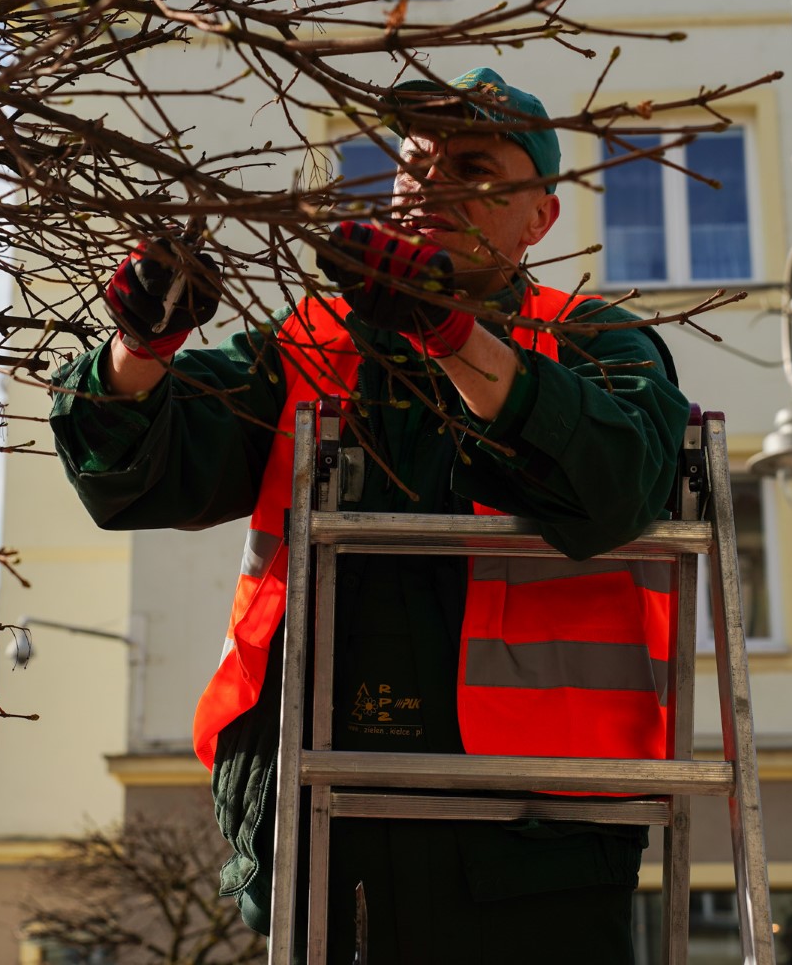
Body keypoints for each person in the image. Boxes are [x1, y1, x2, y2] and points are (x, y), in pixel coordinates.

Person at [51, 67, 690, 964]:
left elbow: (615, 483)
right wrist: (138, 351)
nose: (429, 185)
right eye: (415, 161)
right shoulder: (313, 343)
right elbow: (138, 470)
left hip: (529, 849)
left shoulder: (592, 344)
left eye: (473, 169)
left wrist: (455, 339)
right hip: (315, 834)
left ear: (538, 219)